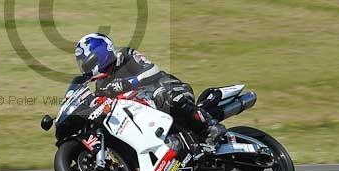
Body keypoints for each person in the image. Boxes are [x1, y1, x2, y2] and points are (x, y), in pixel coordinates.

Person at [72, 32, 226, 146]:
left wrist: (127, 83)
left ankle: (212, 126)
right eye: (85, 66)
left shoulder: (125, 56)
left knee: (164, 96)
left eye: (89, 63)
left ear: (101, 54)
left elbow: (153, 70)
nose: (87, 69)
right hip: (144, 115)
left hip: (170, 89)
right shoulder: (101, 86)